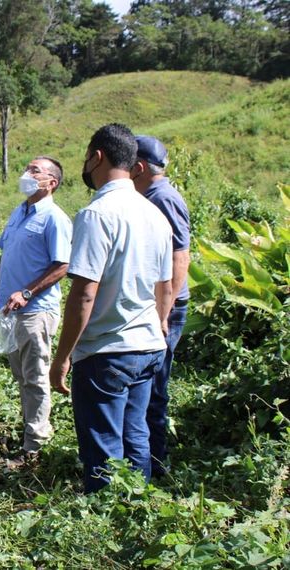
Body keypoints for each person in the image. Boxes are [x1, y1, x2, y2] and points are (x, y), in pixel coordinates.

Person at [50, 123, 173, 492]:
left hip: (106, 352)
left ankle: (106, 513)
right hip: (148, 347)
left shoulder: (97, 214)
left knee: (103, 446)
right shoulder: (154, 214)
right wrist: (159, 324)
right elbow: (165, 287)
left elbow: (84, 294)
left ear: (97, 157)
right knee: (136, 436)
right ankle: (137, 507)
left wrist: (63, 357)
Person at [0, 157, 72, 469]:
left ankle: (35, 446)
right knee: (21, 375)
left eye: (35, 170)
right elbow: (7, 251)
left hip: (36, 311)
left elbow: (63, 265)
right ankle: (31, 431)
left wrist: (28, 292)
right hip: (11, 310)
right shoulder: (19, 212)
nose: (27, 174)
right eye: (27, 168)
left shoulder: (55, 218)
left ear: (52, 183)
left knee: (35, 377)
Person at [131, 135, 191, 477]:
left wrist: (162, 313)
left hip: (165, 308)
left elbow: (180, 257)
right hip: (155, 304)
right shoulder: (148, 197)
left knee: (153, 387)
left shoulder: (162, 198)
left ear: (139, 167)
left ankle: (155, 462)